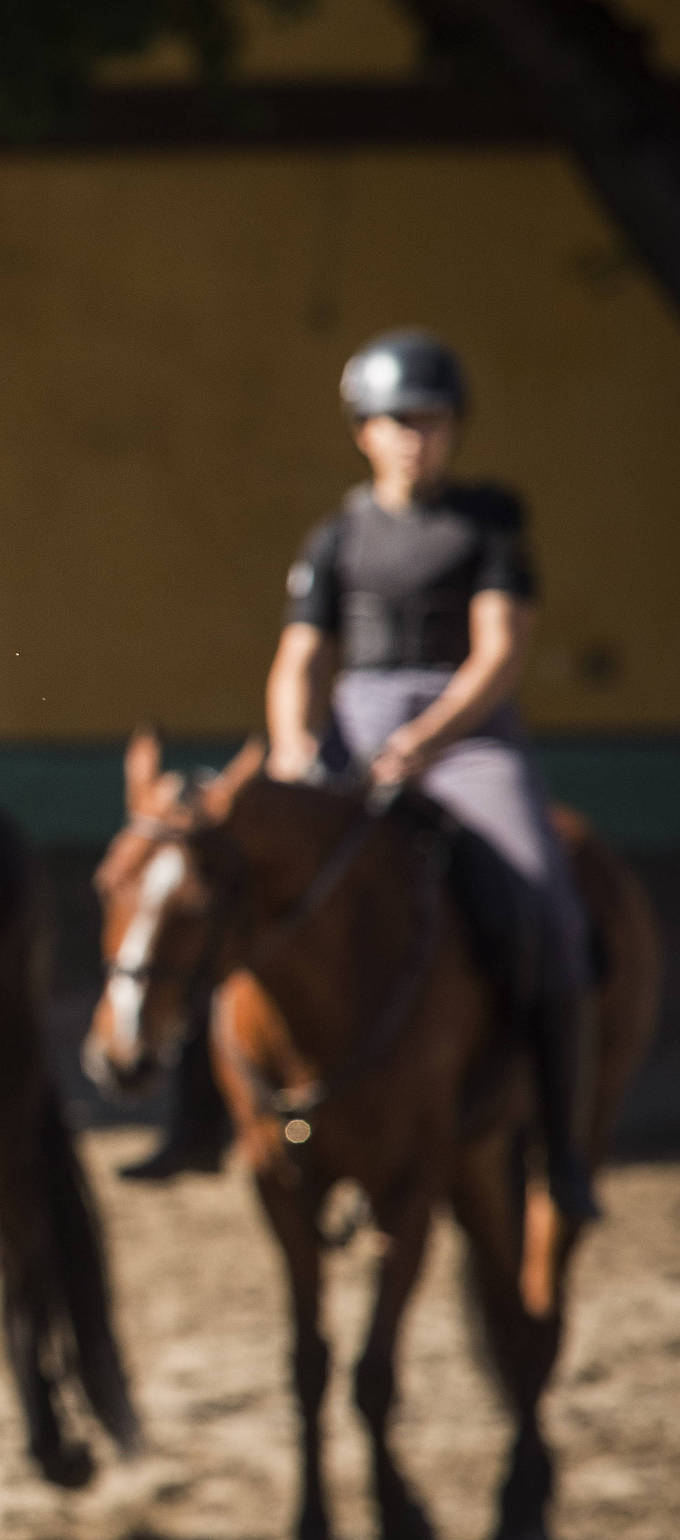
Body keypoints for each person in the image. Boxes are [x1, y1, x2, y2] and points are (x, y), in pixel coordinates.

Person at [265, 328, 597, 1222]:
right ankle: (207, 1114)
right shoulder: (339, 535)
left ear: (455, 430)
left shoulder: (487, 521)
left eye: (432, 420)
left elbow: (501, 650)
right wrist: (295, 745)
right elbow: (300, 657)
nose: (415, 436)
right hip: (356, 715)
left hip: (465, 730)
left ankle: (563, 1150)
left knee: (542, 892)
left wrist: (429, 737)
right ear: (363, 431)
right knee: (231, 869)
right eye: (397, 420)